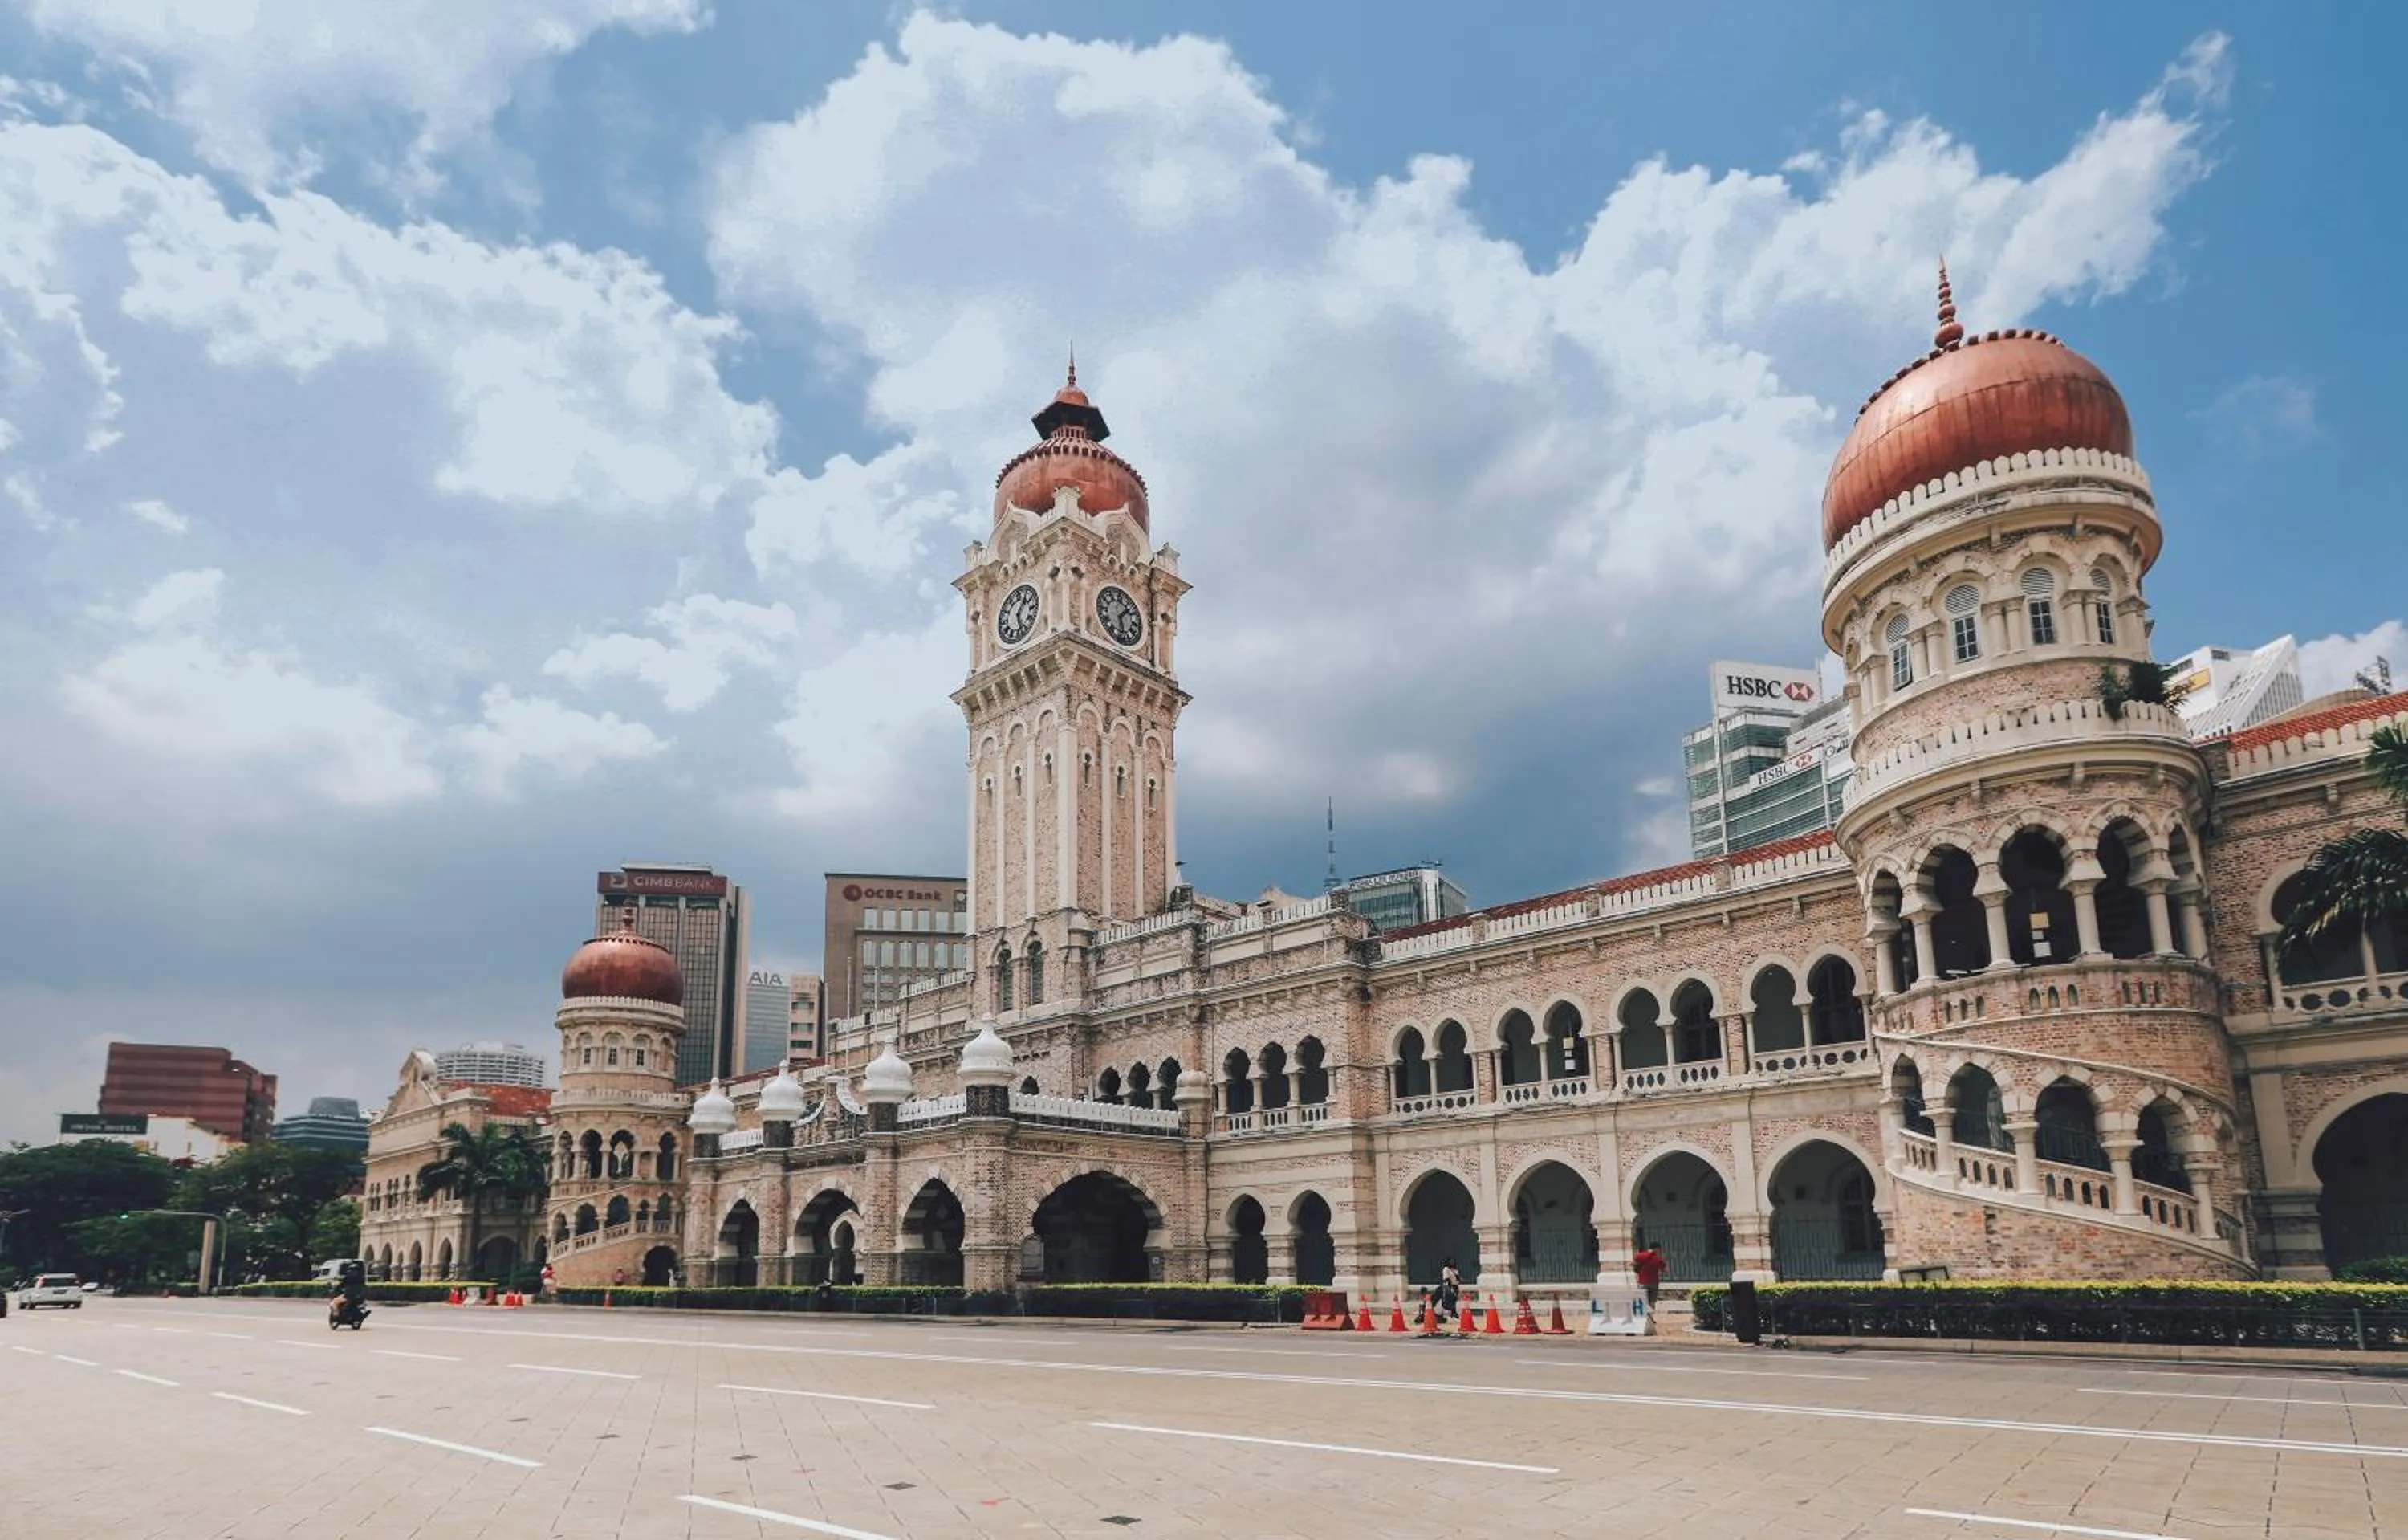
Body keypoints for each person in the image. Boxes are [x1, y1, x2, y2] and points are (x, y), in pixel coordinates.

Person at [1633, 1245, 1667, 1314]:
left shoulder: (1641, 1256)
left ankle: (1645, 1316)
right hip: (1654, 1282)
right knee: (1652, 1302)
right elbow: (1665, 1270)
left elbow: (1634, 1262)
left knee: (1643, 1300)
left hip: (1643, 1282)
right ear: (1657, 1249)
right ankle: (1651, 1317)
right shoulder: (1658, 1259)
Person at [1438, 1256, 1463, 1323]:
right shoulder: (1446, 1269)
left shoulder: (1455, 1270)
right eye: (1451, 1261)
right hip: (1448, 1286)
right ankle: (1443, 1313)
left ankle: (1453, 1312)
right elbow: (1446, 1279)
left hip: (1455, 1286)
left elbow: (1457, 1278)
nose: (1452, 1262)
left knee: (1454, 1300)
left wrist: (1459, 1279)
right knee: (1447, 1299)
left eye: (1453, 1261)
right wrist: (1450, 1287)